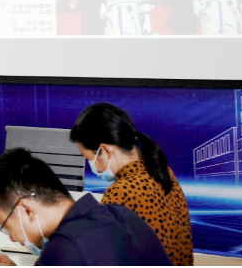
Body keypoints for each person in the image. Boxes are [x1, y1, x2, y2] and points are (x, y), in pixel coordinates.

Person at [0, 148, 172, 266]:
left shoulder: (65, 250)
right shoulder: (121, 213)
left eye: (5, 226)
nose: (12, 238)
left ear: (26, 210)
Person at [70, 103, 193, 266]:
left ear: (105, 151)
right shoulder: (163, 172)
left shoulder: (122, 192)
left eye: (88, 159)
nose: (92, 167)